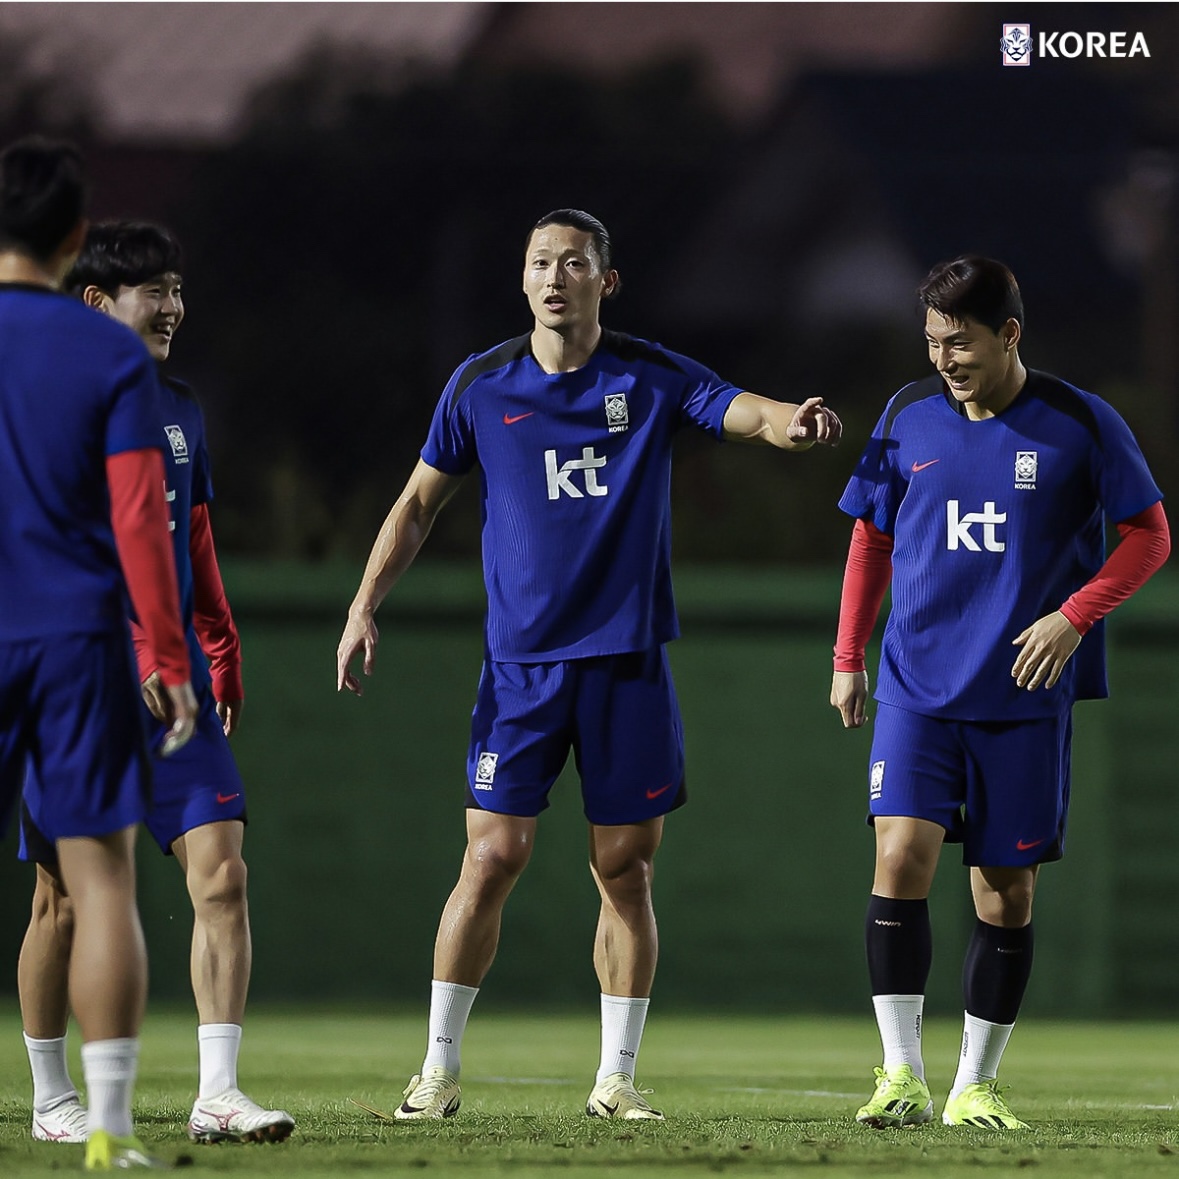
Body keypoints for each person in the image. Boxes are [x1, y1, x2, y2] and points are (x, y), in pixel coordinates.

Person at [337, 208, 842, 1121]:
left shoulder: (646, 374)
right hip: (520, 670)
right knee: (491, 855)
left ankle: (615, 1079)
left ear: (606, 282)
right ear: (522, 278)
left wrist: (791, 424)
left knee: (625, 870)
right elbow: (416, 504)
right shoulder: (481, 384)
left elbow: (742, 410)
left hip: (625, 665)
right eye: (540, 261)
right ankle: (436, 1071)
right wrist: (363, 602)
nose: (554, 276)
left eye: (573, 263)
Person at [830, 256, 1170, 1130]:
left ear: (1008, 334)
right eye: (932, 341)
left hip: (1022, 692)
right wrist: (847, 654)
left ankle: (974, 1084)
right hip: (917, 685)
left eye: (960, 342)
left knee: (1003, 890)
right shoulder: (907, 415)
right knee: (898, 855)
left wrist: (1074, 615)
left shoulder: (1079, 421)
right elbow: (870, 538)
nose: (943, 359)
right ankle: (900, 1075)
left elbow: (1147, 535)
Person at [17, 221, 295, 1150]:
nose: (173, 306)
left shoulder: (180, 409)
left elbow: (193, 537)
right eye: (154, 290)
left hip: (176, 687)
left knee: (222, 874)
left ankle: (218, 1093)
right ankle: (52, 1096)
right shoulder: (44, 405)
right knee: (61, 899)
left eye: (178, 288)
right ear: (98, 303)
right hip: (79, 682)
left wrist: (222, 644)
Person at [0, 138, 198, 1171]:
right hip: (77, 637)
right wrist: (167, 652)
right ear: (75, 237)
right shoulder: (110, 356)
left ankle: (63, 1105)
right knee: (104, 879)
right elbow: (137, 520)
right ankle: (110, 1129)